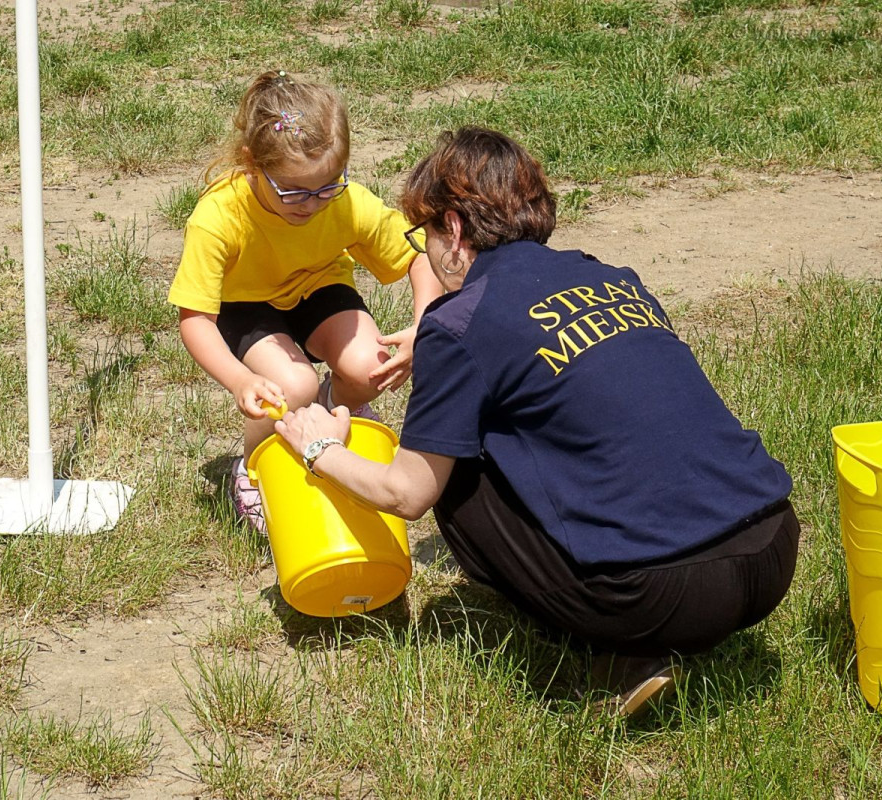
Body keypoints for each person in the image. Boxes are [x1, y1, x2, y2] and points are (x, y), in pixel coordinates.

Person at [274, 127, 800, 719]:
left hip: (661, 596)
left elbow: (407, 493)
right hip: (773, 548)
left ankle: (620, 657)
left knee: (456, 468)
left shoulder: (459, 321)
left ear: (452, 228)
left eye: (422, 235)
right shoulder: (612, 277)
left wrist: (318, 445)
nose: (424, 253)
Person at [168, 70, 438, 533]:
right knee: (289, 388)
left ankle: (335, 407)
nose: (312, 204)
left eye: (328, 185)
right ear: (253, 164)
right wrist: (240, 380)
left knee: (371, 366)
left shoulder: (346, 202)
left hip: (318, 289)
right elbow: (194, 319)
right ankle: (254, 470)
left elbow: (421, 259)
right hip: (245, 305)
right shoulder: (218, 217)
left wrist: (423, 326)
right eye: (293, 191)